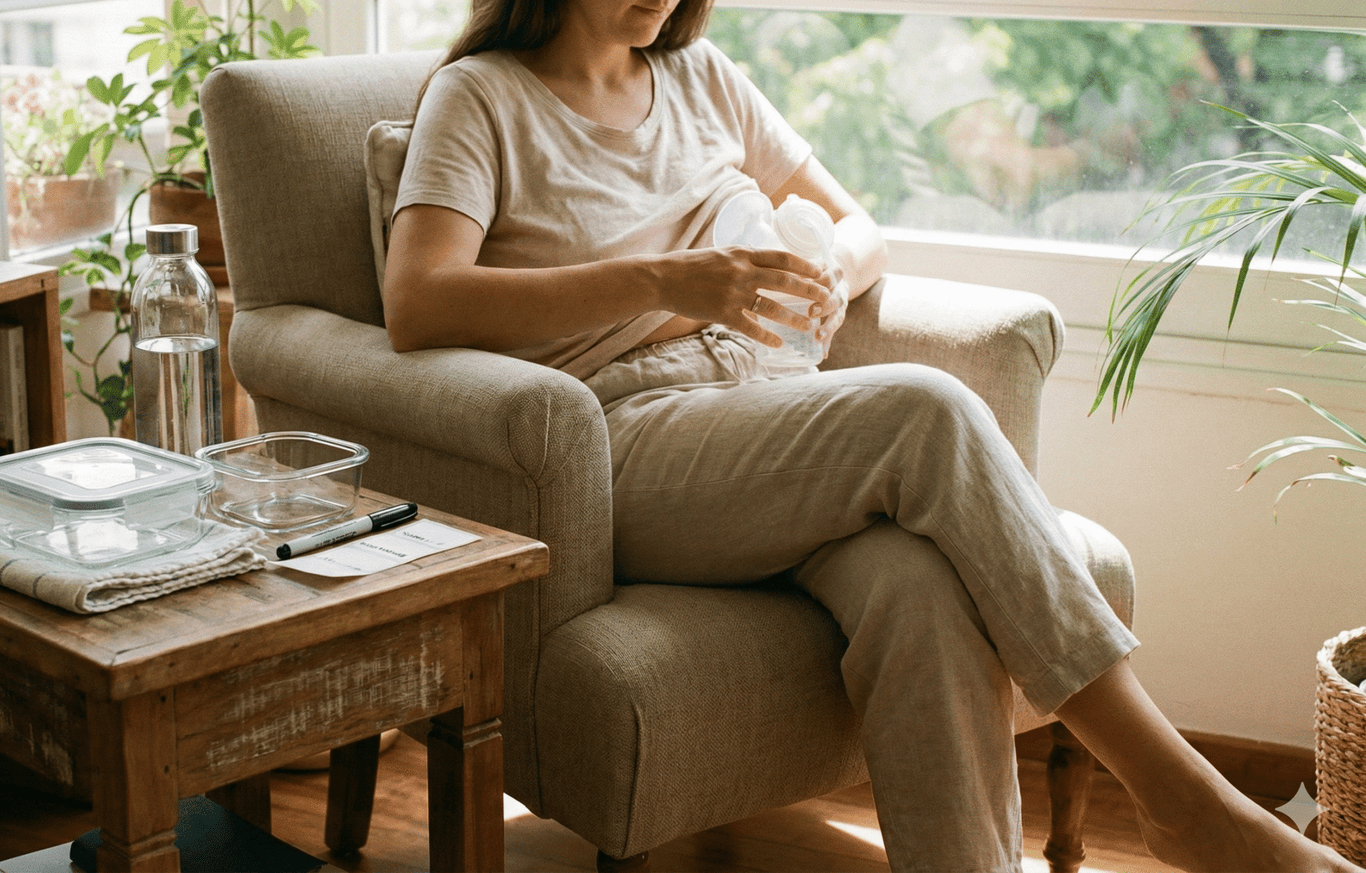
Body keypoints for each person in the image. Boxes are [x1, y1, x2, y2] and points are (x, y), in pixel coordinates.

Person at [380, 1, 1360, 870]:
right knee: (923, 408)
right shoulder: (482, 98)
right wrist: (664, 284)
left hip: (772, 412)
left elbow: (859, 230)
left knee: (917, 587)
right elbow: (418, 302)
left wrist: (809, 266)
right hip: (623, 436)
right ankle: (1180, 798)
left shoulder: (702, 79)